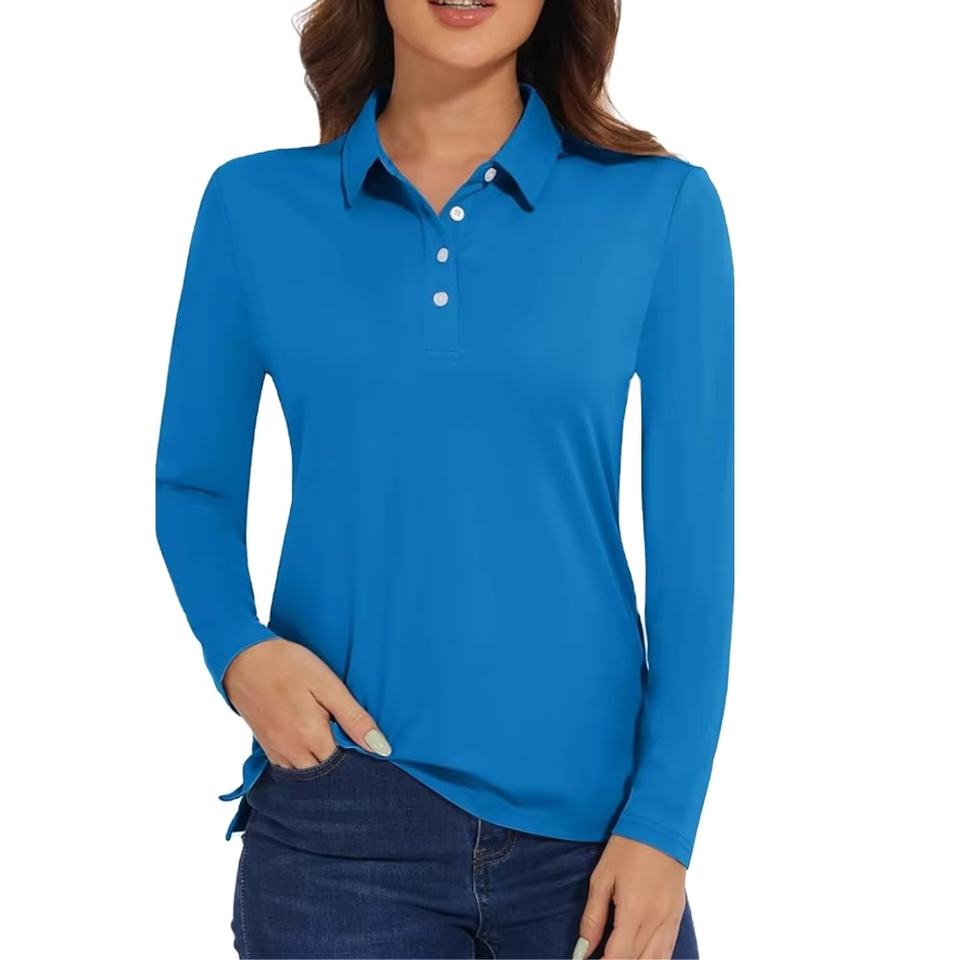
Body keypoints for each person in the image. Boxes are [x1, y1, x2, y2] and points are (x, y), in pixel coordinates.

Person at [154, 1, 734, 957]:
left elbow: (694, 553)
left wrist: (664, 825)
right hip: (338, 820)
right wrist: (237, 649)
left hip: (596, 839)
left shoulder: (660, 208)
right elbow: (196, 487)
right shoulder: (252, 207)